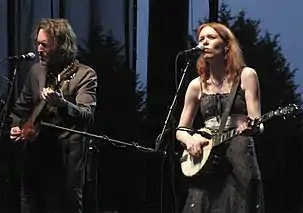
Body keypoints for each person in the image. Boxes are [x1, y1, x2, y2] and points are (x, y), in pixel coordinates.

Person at [9, 18, 97, 213]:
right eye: (37, 44)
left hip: (65, 172)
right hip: (33, 166)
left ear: (61, 46)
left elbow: (87, 115)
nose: (39, 49)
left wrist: (62, 104)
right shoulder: (36, 72)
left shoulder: (84, 75)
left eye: (44, 45)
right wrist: (15, 126)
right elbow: (19, 110)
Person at [176, 22, 264, 213]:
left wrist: (253, 127)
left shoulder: (246, 75)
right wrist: (190, 141)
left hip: (239, 156)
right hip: (207, 161)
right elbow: (181, 129)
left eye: (211, 38)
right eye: (201, 39)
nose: (204, 42)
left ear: (226, 45)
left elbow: (257, 121)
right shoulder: (195, 85)